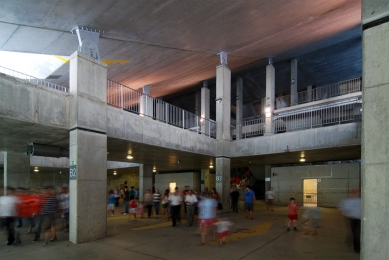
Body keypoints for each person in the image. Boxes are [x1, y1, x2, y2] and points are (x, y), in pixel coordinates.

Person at [338, 188, 361, 253]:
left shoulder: (361, 201)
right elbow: (344, 211)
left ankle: (351, 240)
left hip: (360, 219)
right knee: (355, 233)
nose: (355, 194)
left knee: (357, 233)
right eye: (352, 193)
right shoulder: (348, 201)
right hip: (352, 219)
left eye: (357, 193)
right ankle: (357, 248)